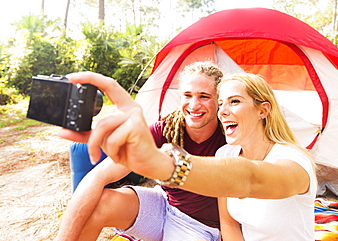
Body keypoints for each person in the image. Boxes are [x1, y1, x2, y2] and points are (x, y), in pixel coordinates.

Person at [59, 71, 317, 241]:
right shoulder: (220, 147)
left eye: (233, 102)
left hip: (199, 227)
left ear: (263, 110)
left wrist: (168, 166)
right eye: (223, 103)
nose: (223, 111)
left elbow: (249, 178)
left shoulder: (294, 161)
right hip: (168, 208)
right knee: (103, 203)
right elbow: (230, 225)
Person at [55, 61, 226, 241]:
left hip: (199, 227)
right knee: (100, 204)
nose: (194, 105)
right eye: (187, 95)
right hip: (164, 206)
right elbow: (98, 176)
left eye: (204, 96)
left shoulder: (229, 137)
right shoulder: (166, 130)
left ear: (219, 100)